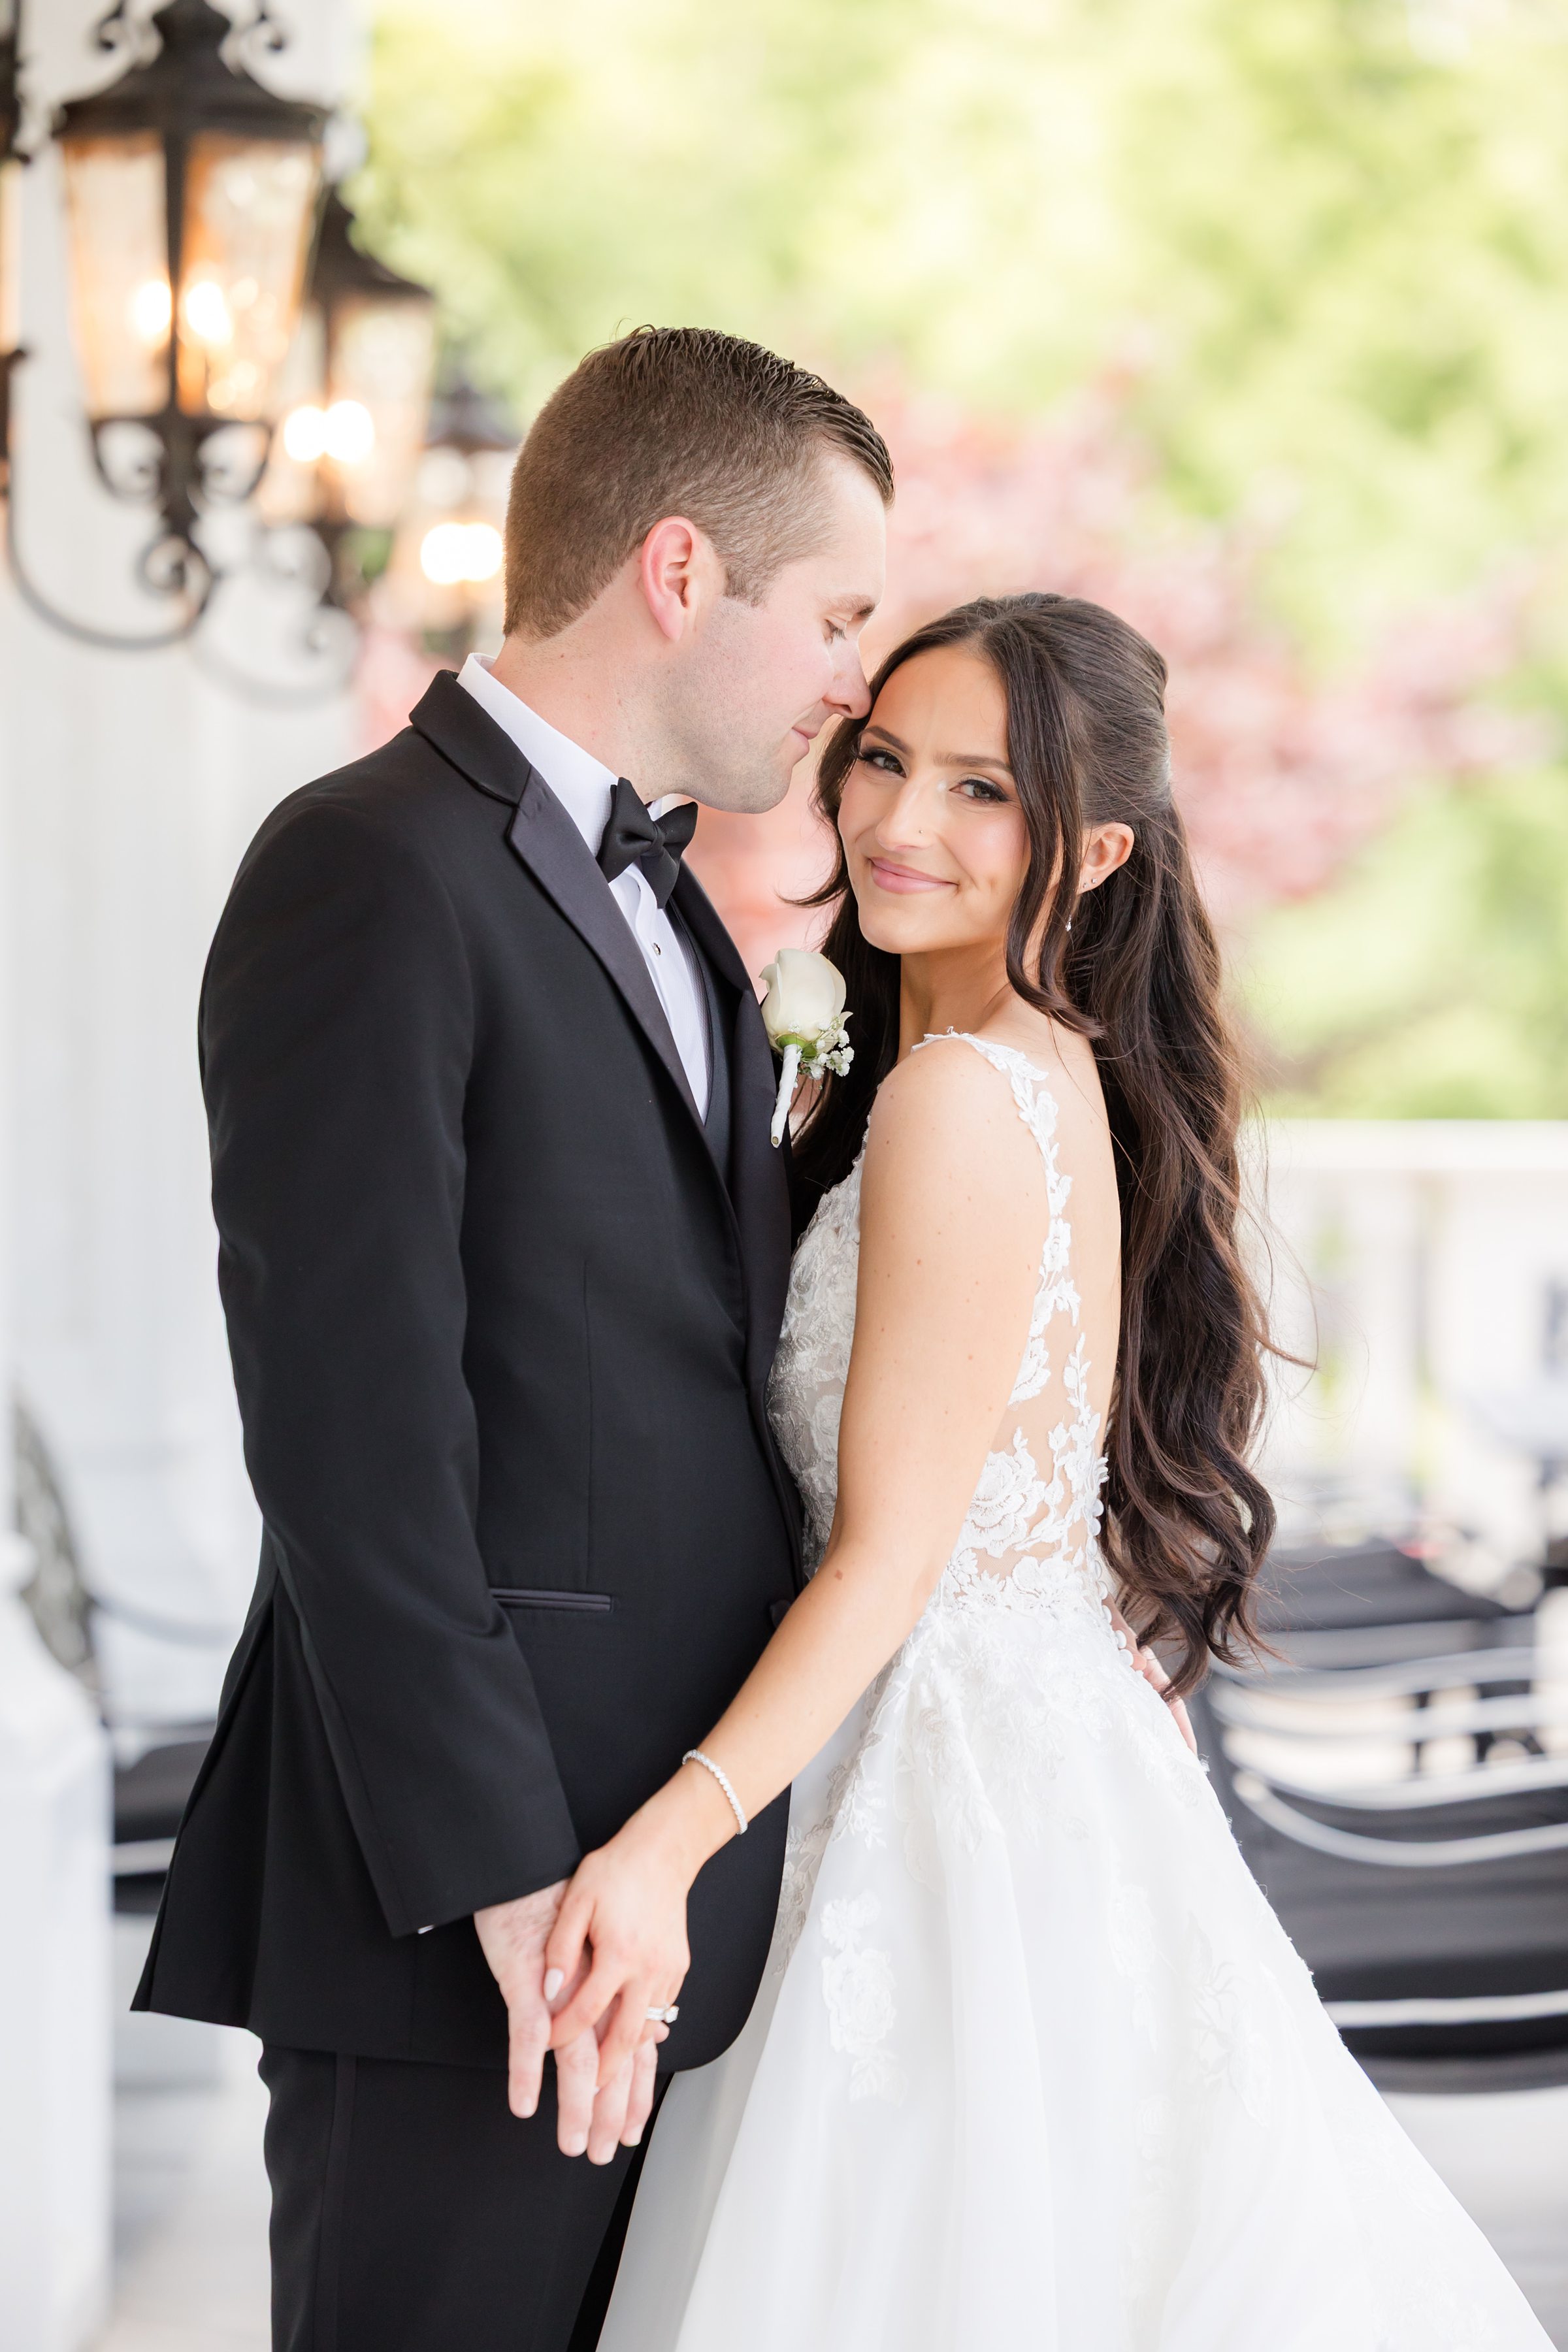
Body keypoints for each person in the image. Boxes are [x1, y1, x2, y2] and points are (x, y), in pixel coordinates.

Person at [549, 594, 1554, 2349]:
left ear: (1092, 849)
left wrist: (660, 1845)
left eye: (980, 794)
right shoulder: (1033, 1071)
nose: (899, 826)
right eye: (882, 762)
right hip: (1036, 1751)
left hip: (939, 1792)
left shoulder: (957, 1101)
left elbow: (889, 1561)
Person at [131, 327, 890, 2352]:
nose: (849, 678)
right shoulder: (366, 869)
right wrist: (508, 1892)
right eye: (833, 614)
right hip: (476, 1919)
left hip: (660, 1893)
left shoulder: (689, 916)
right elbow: (351, 1435)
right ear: (675, 572)